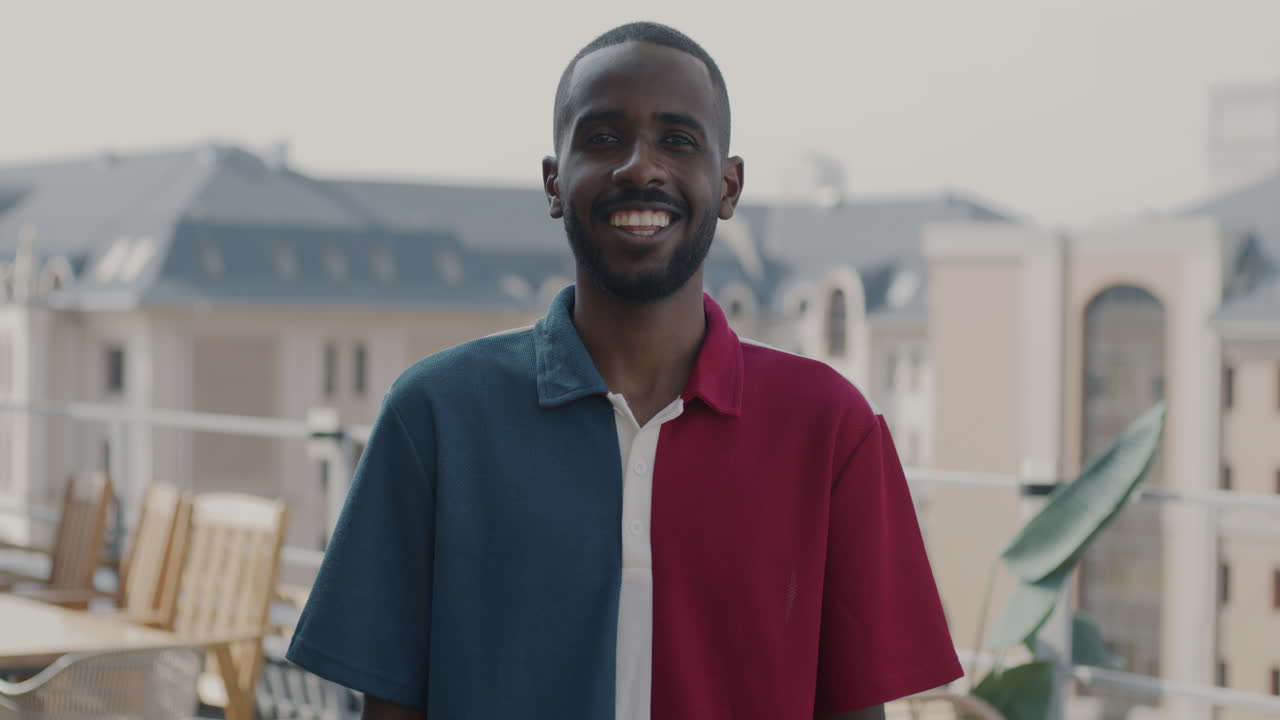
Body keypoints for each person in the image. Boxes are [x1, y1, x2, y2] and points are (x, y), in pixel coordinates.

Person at [286, 21, 962, 720]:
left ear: (728, 186)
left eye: (678, 139)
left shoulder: (829, 428)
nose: (640, 167)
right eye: (603, 137)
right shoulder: (435, 416)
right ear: (554, 183)